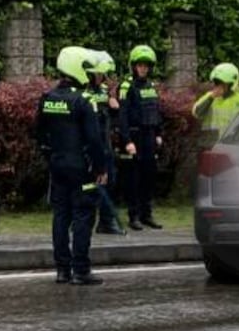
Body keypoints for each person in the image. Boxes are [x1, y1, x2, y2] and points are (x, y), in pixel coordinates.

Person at [36, 47, 108, 285]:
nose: (89, 74)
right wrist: (101, 168)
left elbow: (39, 135)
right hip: (82, 168)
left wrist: (51, 157)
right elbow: (95, 140)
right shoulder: (84, 101)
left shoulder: (47, 98)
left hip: (57, 165)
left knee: (60, 216)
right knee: (83, 217)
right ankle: (81, 270)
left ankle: (62, 270)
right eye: (86, 69)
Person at [118, 45, 164, 231]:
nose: (143, 68)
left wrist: (159, 133)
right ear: (133, 66)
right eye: (140, 65)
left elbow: (156, 111)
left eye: (146, 66)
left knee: (149, 177)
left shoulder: (151, 87)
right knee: (133, 179)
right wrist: (127, 140)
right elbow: (122, 116)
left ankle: (147, 215)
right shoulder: (126, 86)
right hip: (134, 136)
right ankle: (134, 216)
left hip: (150, 137)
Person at [83, 49, 126, 235]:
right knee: (91, 187)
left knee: (111, 182)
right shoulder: (83, 93)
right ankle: (84, 222)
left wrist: (114, 105)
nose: (102, 77)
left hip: (106, 144)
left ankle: (106, 222)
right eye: (99, 74)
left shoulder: (104, 92)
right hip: (90, 145)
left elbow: (113, 119)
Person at [192, 62, 239, 143]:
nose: (218, 86)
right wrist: (211, 98)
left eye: (221, 83)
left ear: (231, 84)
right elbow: (197, 113)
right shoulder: (210, 96)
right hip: (211, 144)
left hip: (232, 144)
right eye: (216, 83)